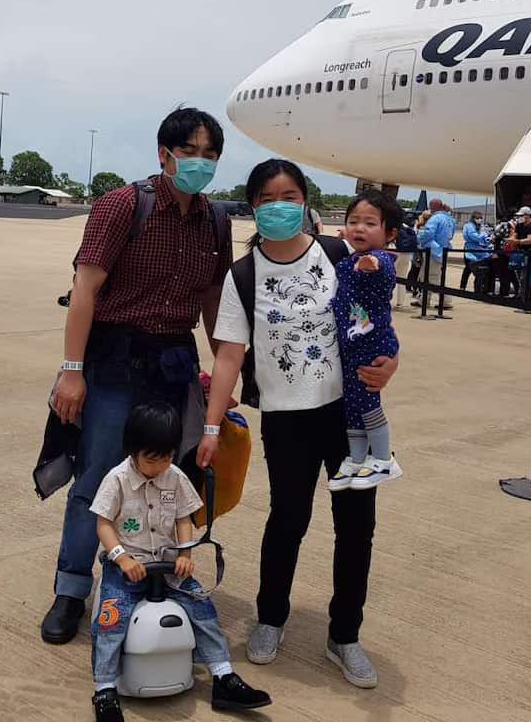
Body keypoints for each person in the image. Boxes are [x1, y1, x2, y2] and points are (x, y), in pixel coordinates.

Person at [199, 159, 399, 689]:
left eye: (289, 196)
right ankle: (270, 619)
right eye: (267, 199)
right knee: (287, 520)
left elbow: (374, 317)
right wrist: (212, 427)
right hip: (286, 419)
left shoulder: (337, 254)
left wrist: (391, 362)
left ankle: (345, 635)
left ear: (305, 201)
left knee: (356, 526)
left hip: (348, 415)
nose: (279, 207)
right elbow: (227, 357)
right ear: (253, 206)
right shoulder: (243, 276)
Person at [43, 107, 233, 646]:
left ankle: (156, 577)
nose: (199, 162)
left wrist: (221, 374)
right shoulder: (124, 205)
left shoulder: (216, 221)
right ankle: (71, 589)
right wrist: (72, 371)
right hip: (114, 361)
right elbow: (85, 289)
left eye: (210, 154)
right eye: (190, 151)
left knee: (168, 480)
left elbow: (213, 301)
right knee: (98, 478)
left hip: (173, 363)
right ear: (164, 154)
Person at [89, 403, 270, 721]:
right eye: (151, 460)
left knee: (202, 607)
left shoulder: (174, 477)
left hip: (168, 565)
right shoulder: (117, 479)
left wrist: (185, 554)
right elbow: (103, 523)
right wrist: (121, 557)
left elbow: (183, 518)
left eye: (167, 458)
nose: (159, 467)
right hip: (127, 568)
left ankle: (223, 676)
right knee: (111, 620)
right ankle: (105, 689)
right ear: (133, 450)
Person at [327, 190, 404, 491]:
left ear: (390, 233)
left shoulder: (379, 258)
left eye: (370, 223)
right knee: (353, 405)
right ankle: (357, 458)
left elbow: (380, 265)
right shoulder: (352, 257)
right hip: (353, 346)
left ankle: (383, 459)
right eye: (353, 221)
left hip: (372, 346)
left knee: (368, 402)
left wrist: (370, 262)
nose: (359, 228)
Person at [415, 199, 456, 310]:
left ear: (433, 206)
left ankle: (446, 300)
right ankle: (424, 300)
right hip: (443, 250)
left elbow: (427, 233)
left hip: (432, 250)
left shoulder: (435, 218)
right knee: (427, 276)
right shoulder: (450, 219)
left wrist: (419, 237)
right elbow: (451, 235)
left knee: (433, 277)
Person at [460, 212, 491, 291]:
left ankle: (476, 288)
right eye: (477, 218)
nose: (479, 220)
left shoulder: (480, 226)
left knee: (475, 270)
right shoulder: (469, 226)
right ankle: (463, 287)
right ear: (473, 218)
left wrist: (486, 240)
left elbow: (485, 236)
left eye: (480, 218)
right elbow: (473, 236)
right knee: (469, 269)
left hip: (478, 249)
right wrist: (484, 237)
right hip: (470, 249)